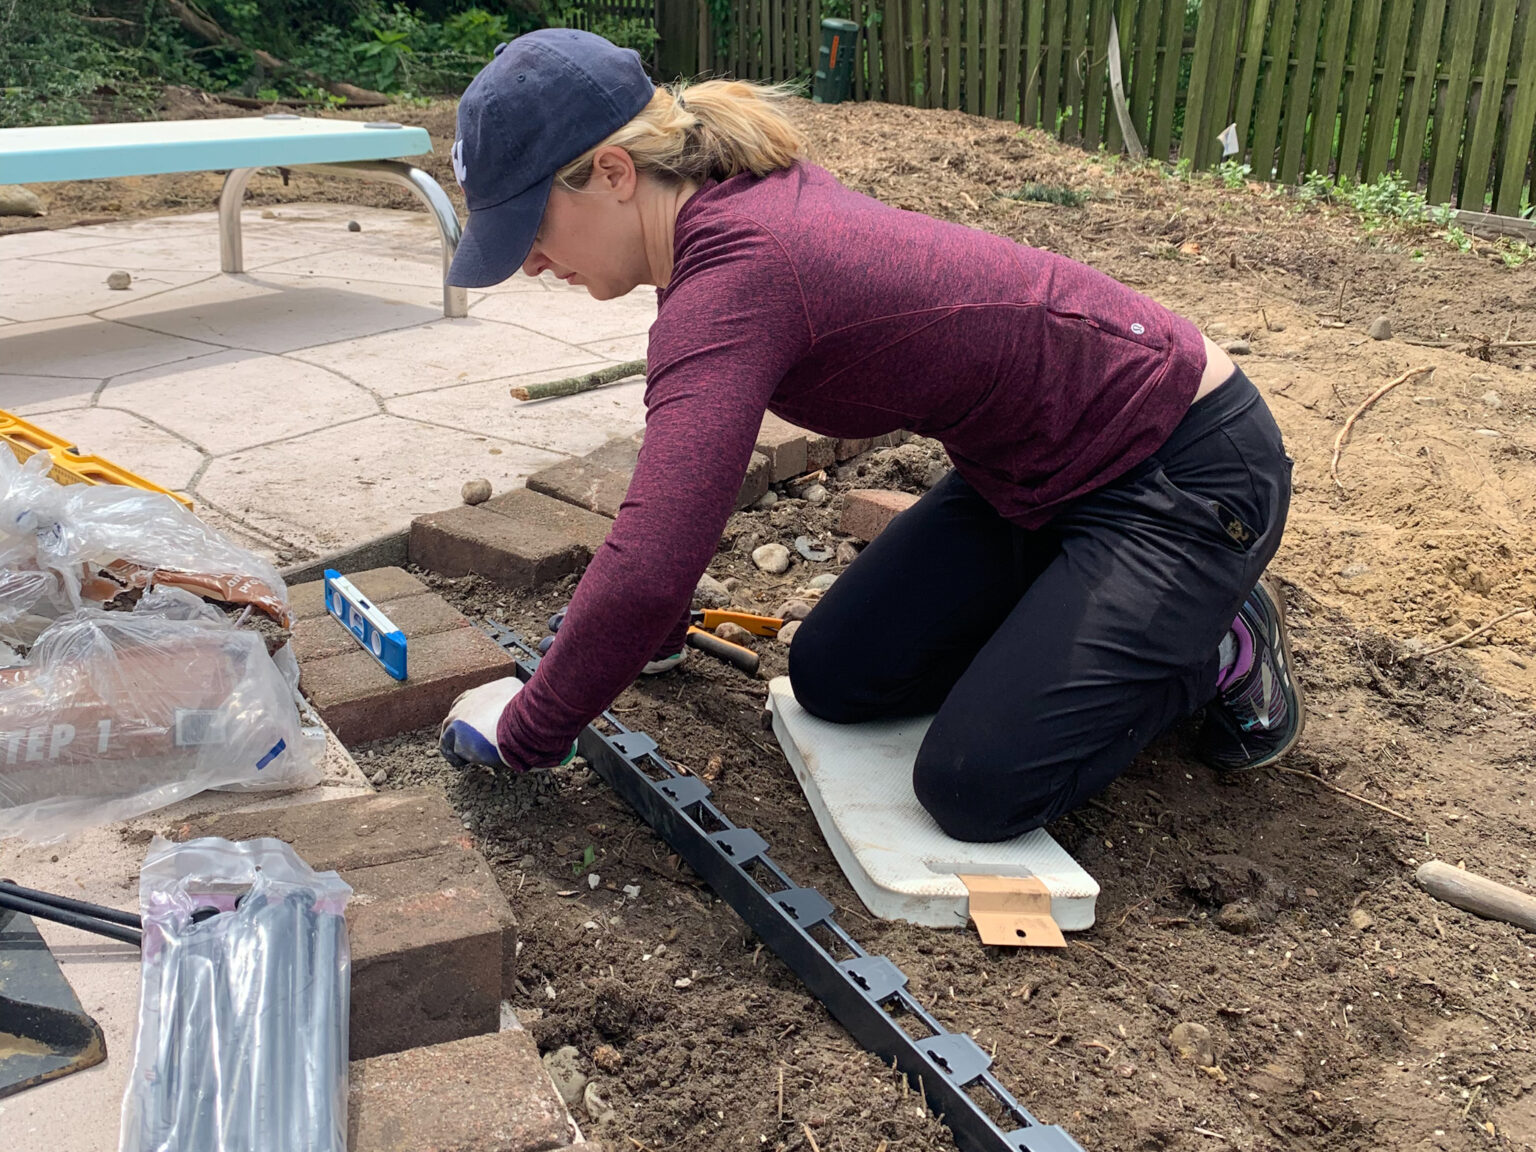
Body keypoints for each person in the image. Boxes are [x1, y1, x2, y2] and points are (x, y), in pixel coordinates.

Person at [437, 29, 1304, 842]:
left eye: (532, 229)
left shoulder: (741, 272)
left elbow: (653, 561)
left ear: (616, 172)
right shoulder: (718, 227)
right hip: (1029, 474)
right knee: (835, 678)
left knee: (977, 788)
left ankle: (1219, 644)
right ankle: (1078, 612)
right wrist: (646, 633)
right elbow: (682, 495)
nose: (531, 264)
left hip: (1182, 469)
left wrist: (528, 731)